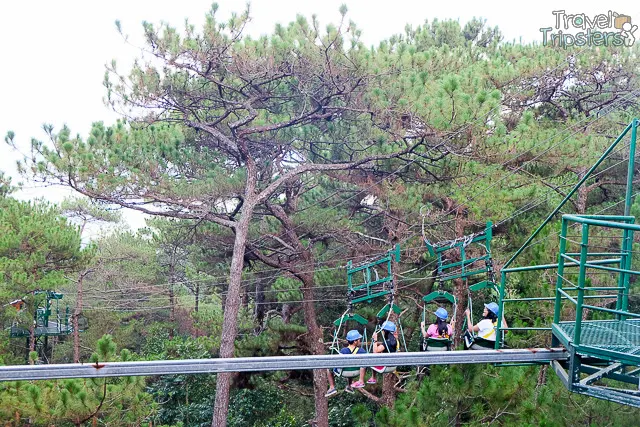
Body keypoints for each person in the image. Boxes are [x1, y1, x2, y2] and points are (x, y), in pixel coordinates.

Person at [325, 329, 367, 397]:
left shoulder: (343, 351)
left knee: (329, 369)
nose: (360, 341)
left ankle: (332, 387)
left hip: (344, 372)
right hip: (357, 372)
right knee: (354, 364)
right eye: (359, 339)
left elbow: (338, 362)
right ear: (356, 341)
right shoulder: (361, 351)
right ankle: (350, 385)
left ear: (348, 341)